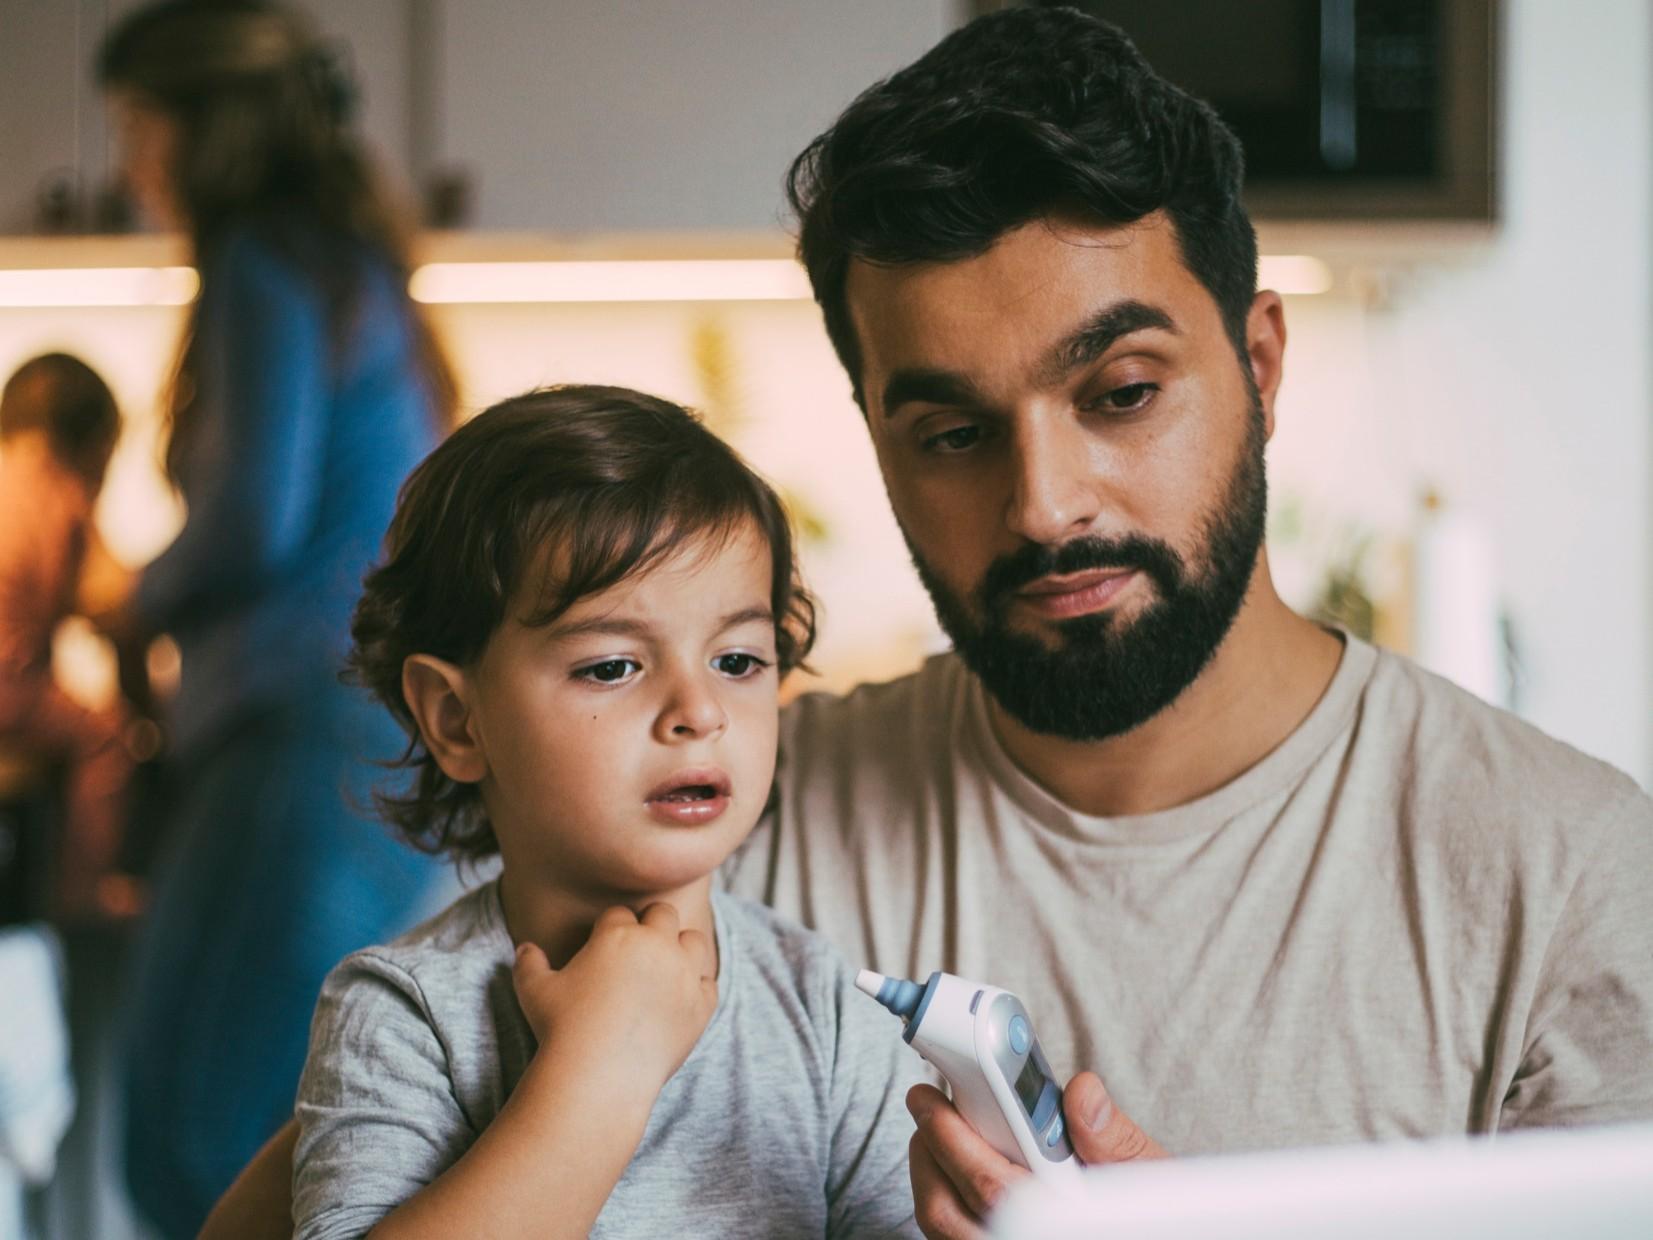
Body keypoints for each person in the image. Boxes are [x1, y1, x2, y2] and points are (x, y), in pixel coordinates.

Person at [202, 8, 1653, 1240]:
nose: (1043, 502)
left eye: (1121, 392)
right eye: (952, 430)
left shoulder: (1560, 882)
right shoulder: (685, 813)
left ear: (1259, 365)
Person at [292, 385, 921, 1238]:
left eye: (737, 659)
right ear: (455, 718)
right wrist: (602, 1072)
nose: (697, 710)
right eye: (612, 667)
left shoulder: (824, 1006)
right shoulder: (400, 1014)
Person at [95, 2, 457, 1232]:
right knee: (253, 1123)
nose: (129, 163)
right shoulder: (343, 262)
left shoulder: (262, 263)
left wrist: (123, 594)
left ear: (207, 126)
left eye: (138, 127)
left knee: (189, 1134)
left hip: (302, 738)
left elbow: (250, 518)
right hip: (351, 743)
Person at [0, 353, 136, 922]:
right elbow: (114, 606)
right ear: (90, 446)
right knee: (106, 734)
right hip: (7, 690)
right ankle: (84, 887)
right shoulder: (60, 494)